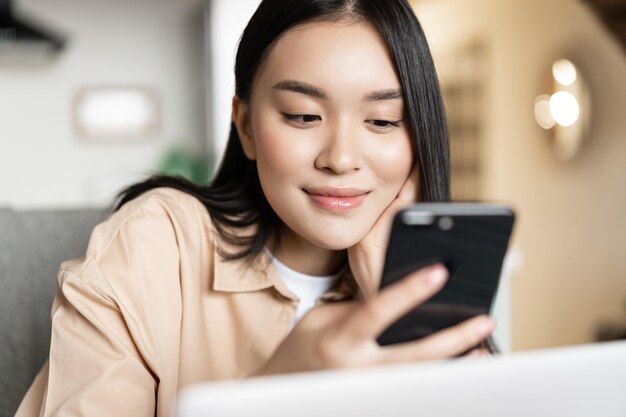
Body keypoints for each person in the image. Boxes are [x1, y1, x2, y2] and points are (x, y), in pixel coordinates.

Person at [15, 0, 495, 416]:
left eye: (383, 121)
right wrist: (276, 389)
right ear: (245, 125)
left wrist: (396, 302)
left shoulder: (436, 276)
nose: (342, 158)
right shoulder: (154, 245)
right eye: (303, 115)